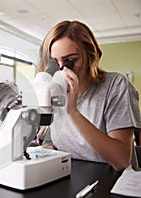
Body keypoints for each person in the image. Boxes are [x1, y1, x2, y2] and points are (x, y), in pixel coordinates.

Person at [36, 20, 141, 171]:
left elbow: (121, 160)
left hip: (112, 181)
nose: (62, 70)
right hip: (72, 176)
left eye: (70, 61)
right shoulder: (56, 89)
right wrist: (47, 149)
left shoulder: (116, 85)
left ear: (90, 56)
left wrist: (72, 111)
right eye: (55, 63)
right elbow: (51, 138)